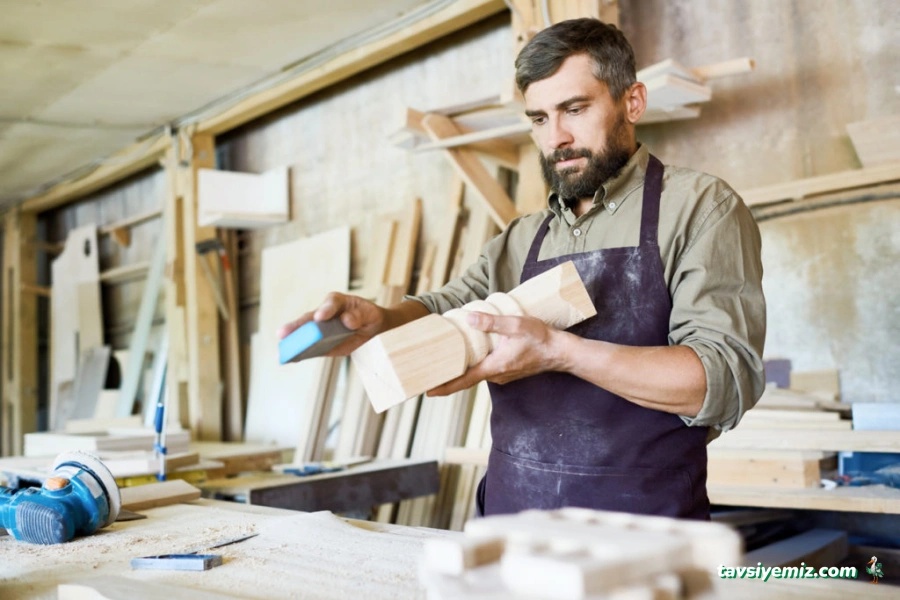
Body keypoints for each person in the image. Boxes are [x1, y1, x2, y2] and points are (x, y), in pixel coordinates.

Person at [278, 18, 766, 520]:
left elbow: (720, 379)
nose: (556, 137)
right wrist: (380, 319)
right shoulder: (521, 239)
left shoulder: (699, 207)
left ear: (632, 102)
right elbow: (448, 310)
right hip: (514, 520)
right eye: (538, 119)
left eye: (574, 110)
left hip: (641, 531)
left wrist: (561, 352)